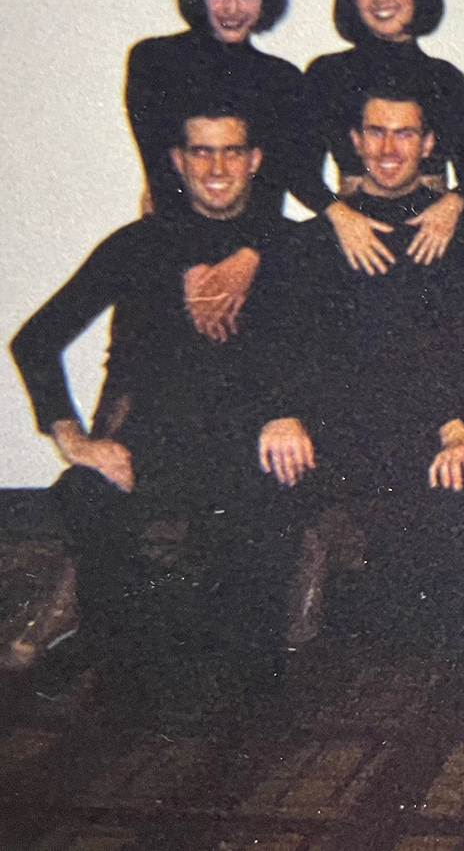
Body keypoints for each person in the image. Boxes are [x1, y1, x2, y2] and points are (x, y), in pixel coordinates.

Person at [11, 106, 293, 717]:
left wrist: (290, 414)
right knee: (86, 495)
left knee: (270, 498)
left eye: (230, 152)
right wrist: (74, 440)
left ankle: (245, 675)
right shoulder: (136, 245)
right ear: (177, 162)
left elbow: (325, 349)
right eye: (200, 152)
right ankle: (128, 665)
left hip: (248, 439)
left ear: (254, 161)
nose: (216, 167)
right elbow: (35, 340)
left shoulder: (289, 245)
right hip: (153, 439)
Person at [255, 87, 464, 652]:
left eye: (405, 133)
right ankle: (323, 550)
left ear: (429, 144)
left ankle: (354, 565)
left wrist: (459, 428)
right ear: (356, 142)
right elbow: (273, 339)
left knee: (433, 621)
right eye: (377, 133)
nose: (390, 147)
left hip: (421, 432)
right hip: (324, 434)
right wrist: (281, 413)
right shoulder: (312, 241)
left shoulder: (461, 238)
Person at [125, 0, 324, 342]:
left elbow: (275, 186)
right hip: (171, 244)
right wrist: (191, 266)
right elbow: (160, 172)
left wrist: (249, 260)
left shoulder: (283, 80)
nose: (233, 8)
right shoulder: (153, 60)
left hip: (254, 257)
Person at [304, 0, 464, 275]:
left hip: (430, 242)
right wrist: (339, 217)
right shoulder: (327, 74)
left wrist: (452, 206)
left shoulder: (444, 78)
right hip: (354, 239)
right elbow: (299, 170)